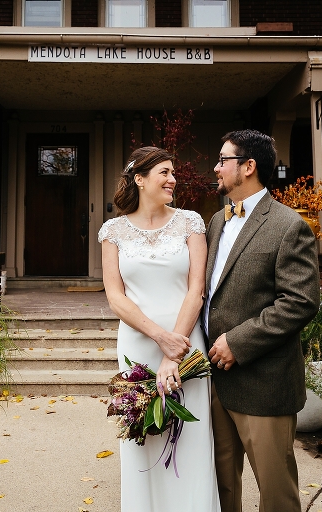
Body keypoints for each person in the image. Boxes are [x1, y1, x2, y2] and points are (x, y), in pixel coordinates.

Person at [203, 130, 320, 512]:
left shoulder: (289, 226)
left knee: (276, 494)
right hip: (215, 379)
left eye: (224, 160)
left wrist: (237, 343)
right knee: (221, 487)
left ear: (248, 167)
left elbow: (299, 303)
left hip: (264, 383)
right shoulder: (216, 221)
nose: (216, 168)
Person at [99, 146, 220, 512]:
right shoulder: (113, 231)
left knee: (192, 435)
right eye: (164, 173)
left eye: (172, 173)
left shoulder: (190, 222)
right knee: (142, 434)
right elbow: (115, 297)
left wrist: (175, 348)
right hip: (138, 344)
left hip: (186, 343)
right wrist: (159, 337)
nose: (173, 179)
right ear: (140, 179)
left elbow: (196, 288)